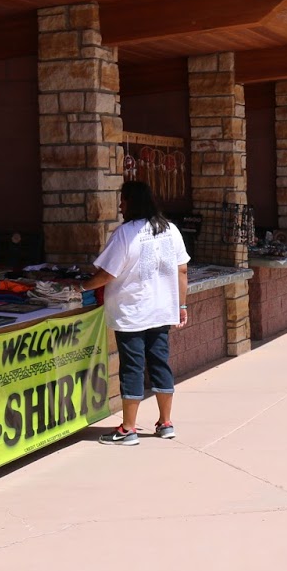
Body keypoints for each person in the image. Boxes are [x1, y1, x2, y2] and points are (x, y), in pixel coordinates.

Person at [79, 180, 190, 446]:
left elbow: (106, 274)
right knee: (160, 364)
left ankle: (128, 429)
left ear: (132, 202)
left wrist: (80, 286)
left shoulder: (125, 234)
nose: (120, 204)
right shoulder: (170, 230)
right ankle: (165, 422)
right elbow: (183, 270)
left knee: (132, 368)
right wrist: (182, 306)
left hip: (132, 313)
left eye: (123, 199)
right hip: (162, 311)